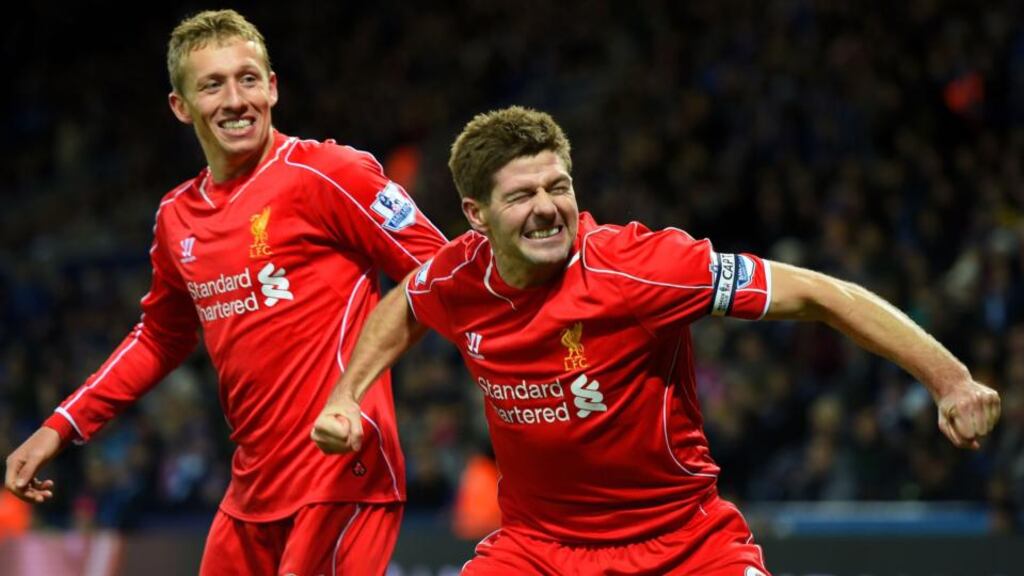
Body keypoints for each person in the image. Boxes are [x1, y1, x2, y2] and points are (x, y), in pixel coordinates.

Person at [311, 106, 1001, 575]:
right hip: (539, 552)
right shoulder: (460, 274)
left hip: (683, 544)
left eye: (559, 186)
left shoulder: (640, 267)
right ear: (475, 215)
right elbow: (404, 302)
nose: (549, 208)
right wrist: (347, 394)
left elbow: (818, 293)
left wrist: (950, 379)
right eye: (522, 196)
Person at [4, 9, 446, 575]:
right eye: (213, 85)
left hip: (341, 476)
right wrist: (60, 426)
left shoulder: (330, 173)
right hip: (252, 493)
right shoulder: (176, 217)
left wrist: (354, 389)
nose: (236, 100)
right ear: (181, 107)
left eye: (248, 79)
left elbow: (441, 274)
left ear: (273, 88)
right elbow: (160, 338)